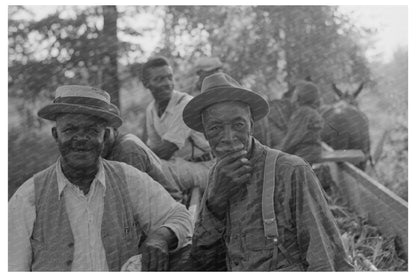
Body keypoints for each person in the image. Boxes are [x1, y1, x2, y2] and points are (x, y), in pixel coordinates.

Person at [8, 85, 193, 271]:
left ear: (104, 136)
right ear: (56, 135)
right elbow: (12, 267)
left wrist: (161, 237)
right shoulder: (28, 196)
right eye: (70, 130)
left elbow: (180, 217)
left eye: (92, 131)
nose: (81, 138)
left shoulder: (128, 178)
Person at [182, 73, 354, 271]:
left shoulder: (291, 171)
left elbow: (324, 261)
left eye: (238, 125)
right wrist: (216, 202)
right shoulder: (216, 176)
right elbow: (203, 262)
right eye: (215, 128)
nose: (228, 138)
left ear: (251, 126)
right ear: (205, 134)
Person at [141, 56, 213, 194]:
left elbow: (166, 150)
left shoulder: (186, 104)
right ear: (146, 84)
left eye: (169, 77)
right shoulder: (151, 109)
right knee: (143, 167)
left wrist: (137, 158)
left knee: (148, 168)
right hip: (181, 166)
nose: (167, 83)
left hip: (204, 167)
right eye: (159, 79)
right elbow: (153, 147)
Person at [101, 104, 183, 202]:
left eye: (105, 134)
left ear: (114, 129)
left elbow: (132, 201)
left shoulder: (127, 150)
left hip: (167, 207)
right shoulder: (116, 144)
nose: (101, 140)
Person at [192, 56, 271, 146]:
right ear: (200, 73)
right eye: (211, 72)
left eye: (217, 70)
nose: (217, 74)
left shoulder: (237, 96)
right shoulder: (194, 95)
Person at [278, 81, 324, 164]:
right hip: (313, 152)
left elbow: (293, 138)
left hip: (304, 154)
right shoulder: (312, 111)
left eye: (295, 92)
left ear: (300, 96)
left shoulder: (302, 112)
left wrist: (277, 152)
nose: (293, 95)